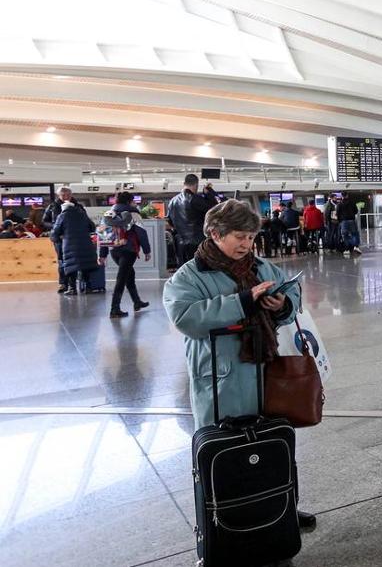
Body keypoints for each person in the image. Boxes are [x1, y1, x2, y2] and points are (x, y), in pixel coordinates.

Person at [161, 199, 316, 533]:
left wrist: (282, 304)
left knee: (273, 443)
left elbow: (293, 295)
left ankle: (282, 505)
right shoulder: (189, 276)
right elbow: (186, 318)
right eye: (239, 237)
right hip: (222, 377)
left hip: (266, 373)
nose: (247, 244)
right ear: (216, 234)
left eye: (251, 237)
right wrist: (243, 301)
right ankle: (225, 519)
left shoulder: (261, 267)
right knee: (227, 450)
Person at [98, 191, 152, 318]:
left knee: (129, 274)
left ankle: (137, 302)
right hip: (129, 250)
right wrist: (147, 250)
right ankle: (114, 308)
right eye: (133, 201)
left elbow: (104, 236)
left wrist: (102, 255)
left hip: (114, 250)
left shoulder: (108, 215)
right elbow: (141, 233)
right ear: (129, 201)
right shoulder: (134, 214)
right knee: (121, 279)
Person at [50, 196, 97, 298]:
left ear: (63, 208)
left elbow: (55, 232)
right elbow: (92, 227)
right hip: (85, 243)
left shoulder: (62, 216)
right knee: (85, 264)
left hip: (70, 244)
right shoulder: (82, 214)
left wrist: (57, 240)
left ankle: (72, 289)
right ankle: (88, 287)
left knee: (72, 266)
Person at [168, 173, 215, 267]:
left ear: (184, 183)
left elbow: (170, 221)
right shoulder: (196, 199)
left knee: (184, 269)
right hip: (197, 242)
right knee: (198, 269)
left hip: (180, 243)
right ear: (196, 185)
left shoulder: (172, 201)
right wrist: (208, 194)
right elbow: (213, 210)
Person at [44, 186, 74, 293]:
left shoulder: (77, 206)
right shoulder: (52, 207)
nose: (66, 197)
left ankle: (72, 284)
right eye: (63, 195)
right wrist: (56, 226)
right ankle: (63, 283)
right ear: (59, 195)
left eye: (68, 195)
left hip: (73, 238)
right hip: (59, 239)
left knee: (73, 261)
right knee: (62, 261)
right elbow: (44, 221)